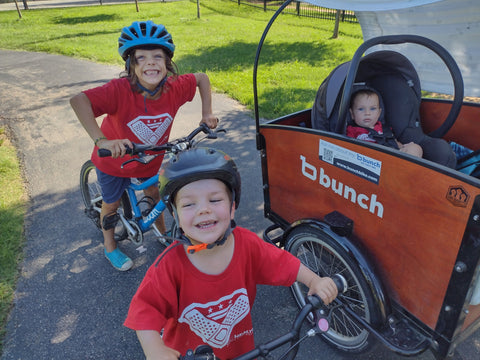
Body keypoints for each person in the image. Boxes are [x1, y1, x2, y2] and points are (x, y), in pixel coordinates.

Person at [123, 148, 339, 360]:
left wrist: (314, 280)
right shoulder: (169, 266)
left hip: (242, 351)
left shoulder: (247, 244)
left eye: (215, 200)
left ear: (232, 206)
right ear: (175, 214)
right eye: (189, 204)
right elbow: (144, 310)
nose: (203, 210)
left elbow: (283, 263)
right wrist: (155, 349)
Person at [70, 20, 218, 271]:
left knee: (155, 194)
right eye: (141, 58)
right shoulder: (119, 90)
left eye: (157, 56)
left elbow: (201, 78)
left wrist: (207, 113)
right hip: (114, 161)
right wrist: (102, 140)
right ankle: (110, 247)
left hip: (149, 160)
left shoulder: (173, 88)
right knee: (111, 203)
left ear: (167, 63)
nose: (150, 62)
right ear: (131, 64)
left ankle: (162, 234)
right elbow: (79, 101)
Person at [347, 88, 423, 158]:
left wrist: (403, 148)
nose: (367, 113)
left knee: (415, 148)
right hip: (370, 160)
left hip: (390, 156)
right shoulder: (352, 130)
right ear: (352, 114)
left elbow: (394, 142)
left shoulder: (385, 129)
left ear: (379, 113)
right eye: (361, 109)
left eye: (372, 109)